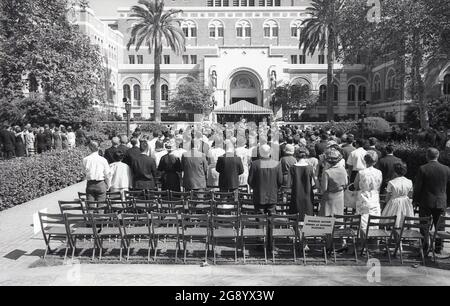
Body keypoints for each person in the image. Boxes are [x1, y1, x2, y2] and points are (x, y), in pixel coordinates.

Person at [413, 148, 450, 254]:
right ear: (438, 156)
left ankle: (425, 246)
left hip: (426, 201)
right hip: (441, 201)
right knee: (440, 225)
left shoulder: (423, 168)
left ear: (427, 156)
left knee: (424, 224)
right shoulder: (446, 169)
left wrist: (415, 200)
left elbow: (418, 187)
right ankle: (439, 247)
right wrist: (447, 202)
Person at [248, 144, 283, 250]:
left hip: (260, 195)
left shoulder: (255, 164)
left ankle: (260, 242)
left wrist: (257, 187)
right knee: (271, 219)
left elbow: (250, 181)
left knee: (259, 219)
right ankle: (270, 242)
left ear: (260, 153)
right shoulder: (276, 164)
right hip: (271, 195)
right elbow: (280, 181)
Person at [354, 150, 383, 231]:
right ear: (375, 161)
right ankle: (373, 238)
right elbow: (379, 186)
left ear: (365, 160)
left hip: (363, 197)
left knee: (363, 220)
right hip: (374, 196)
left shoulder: (361, 172)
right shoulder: (379, 172)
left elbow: (356, 186)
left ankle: (362, 239)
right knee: (374, 219)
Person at [381, 162, 414, 228]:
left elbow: (387, 197)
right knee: (404, 218)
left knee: (391, 220)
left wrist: (386, 203)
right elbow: (410, 194)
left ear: (395, 171)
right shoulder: (409, 181)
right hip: (405, 201)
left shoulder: (391, 182)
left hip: (394, 201)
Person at [289, 147, 317, 220]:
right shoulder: (310, 168)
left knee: (295, 218)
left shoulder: (292, 168)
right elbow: (315, 183)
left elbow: (289, 183)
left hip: (296, 194)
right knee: (307, 218)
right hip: (308, 195)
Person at [320, 148, 348, 217]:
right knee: (338, 217)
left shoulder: (327, 172)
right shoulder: (343, 170)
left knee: (327, 218)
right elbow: (346, 183)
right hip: (340, 195)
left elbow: (324, 189)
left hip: (329, 196)